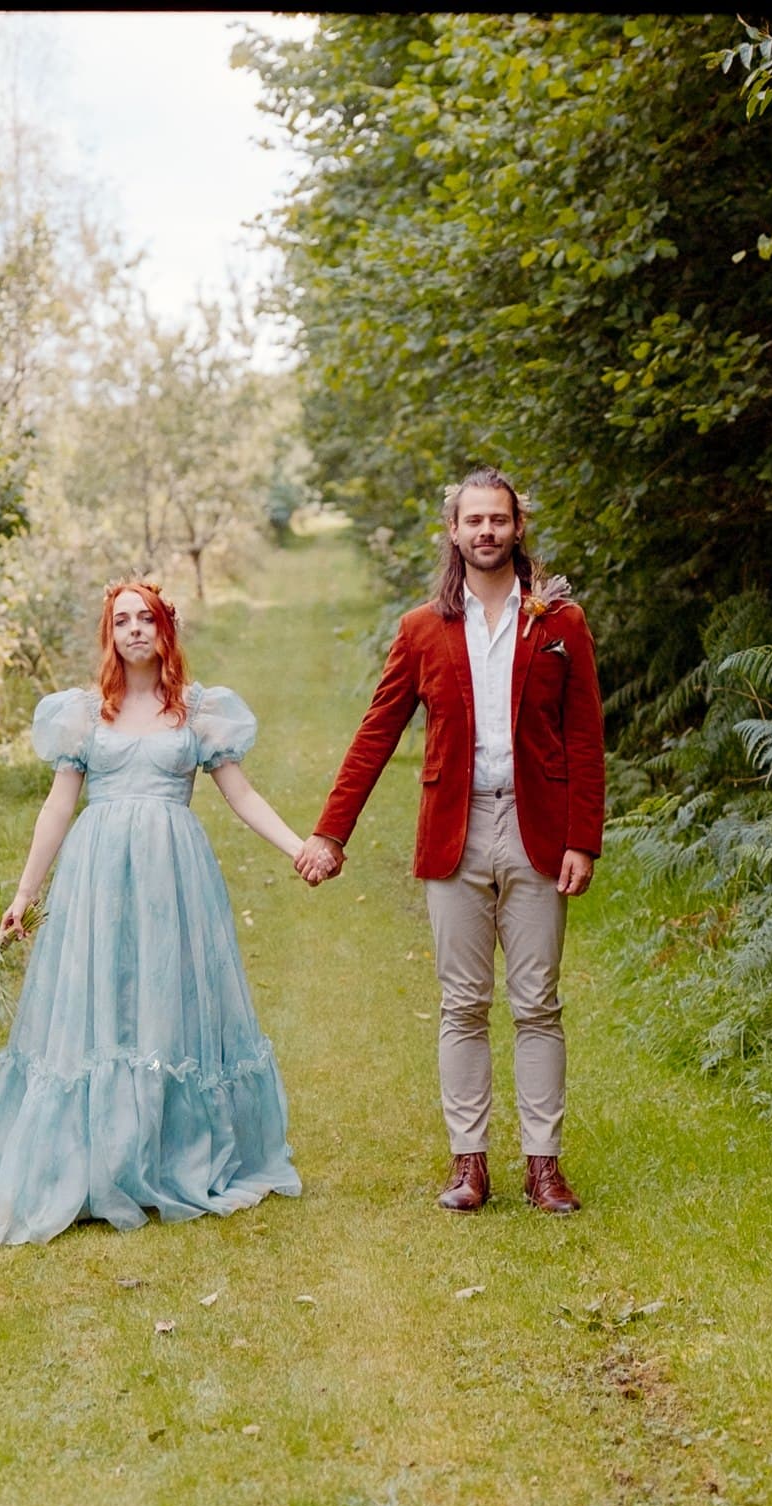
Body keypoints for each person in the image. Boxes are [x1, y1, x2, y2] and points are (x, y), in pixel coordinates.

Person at [0, 580, 305, 1244]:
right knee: (100, 998)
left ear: (165, 629)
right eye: (122, 620)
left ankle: (169, 1149)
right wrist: (25, 893)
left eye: (146, 619)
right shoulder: (85, 714)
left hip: (173, 873)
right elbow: (58, 806)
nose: (135, 629)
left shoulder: (196, 712)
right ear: (110, 634)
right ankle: (93, 1155)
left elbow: (242, 796)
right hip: (96, 874)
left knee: (166, 1002)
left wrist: (298, 847)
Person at [294, 468, 605, 1215]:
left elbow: (586, 735)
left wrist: (583, 839)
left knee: (537, 1003)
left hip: (537, 829)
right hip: (453, 834)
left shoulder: (560, 622)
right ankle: (470, 1164)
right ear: (454, 531)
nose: (487, 531)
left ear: (517, 528)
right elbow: (376, 734)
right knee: (463, 1004)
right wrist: (331, 831)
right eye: (474, 521)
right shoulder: (422, 629)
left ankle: (543, 1166)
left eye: (499, 519)